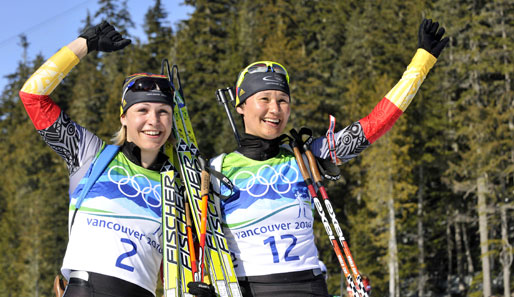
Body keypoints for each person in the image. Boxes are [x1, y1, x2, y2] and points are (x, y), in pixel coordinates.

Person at [210, 18, 448, 297]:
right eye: (264, 99)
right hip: (250, 288)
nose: (274, 109)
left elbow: (373, 126)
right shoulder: (217, 169)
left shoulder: (307, 157)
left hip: (309, 286)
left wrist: (421, 63)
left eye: (282, 100)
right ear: (240, 105)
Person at [20, 21, 174, 297]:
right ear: (124, 117)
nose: (154, 121)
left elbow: (174, 267)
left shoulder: (177, 184)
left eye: (163, 112)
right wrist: (84, 45)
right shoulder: (90, 155)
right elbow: (32, 96)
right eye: (142, 109)